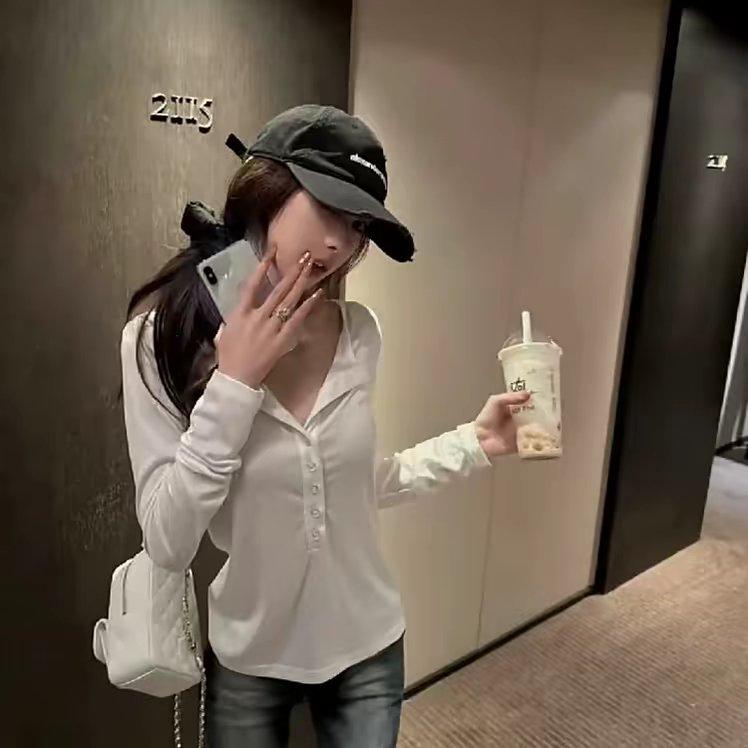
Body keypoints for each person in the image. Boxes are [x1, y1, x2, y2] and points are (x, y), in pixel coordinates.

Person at [120, 104, 529, 748]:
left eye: (358, 224)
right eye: (329, 208)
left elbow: (353, 488)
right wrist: (234, 385)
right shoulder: (157, 338)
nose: (341, 244)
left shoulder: (358, 332)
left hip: (369, 648)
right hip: (249, 658)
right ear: (266, 190)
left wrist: (474, 443)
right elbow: (167, 543)